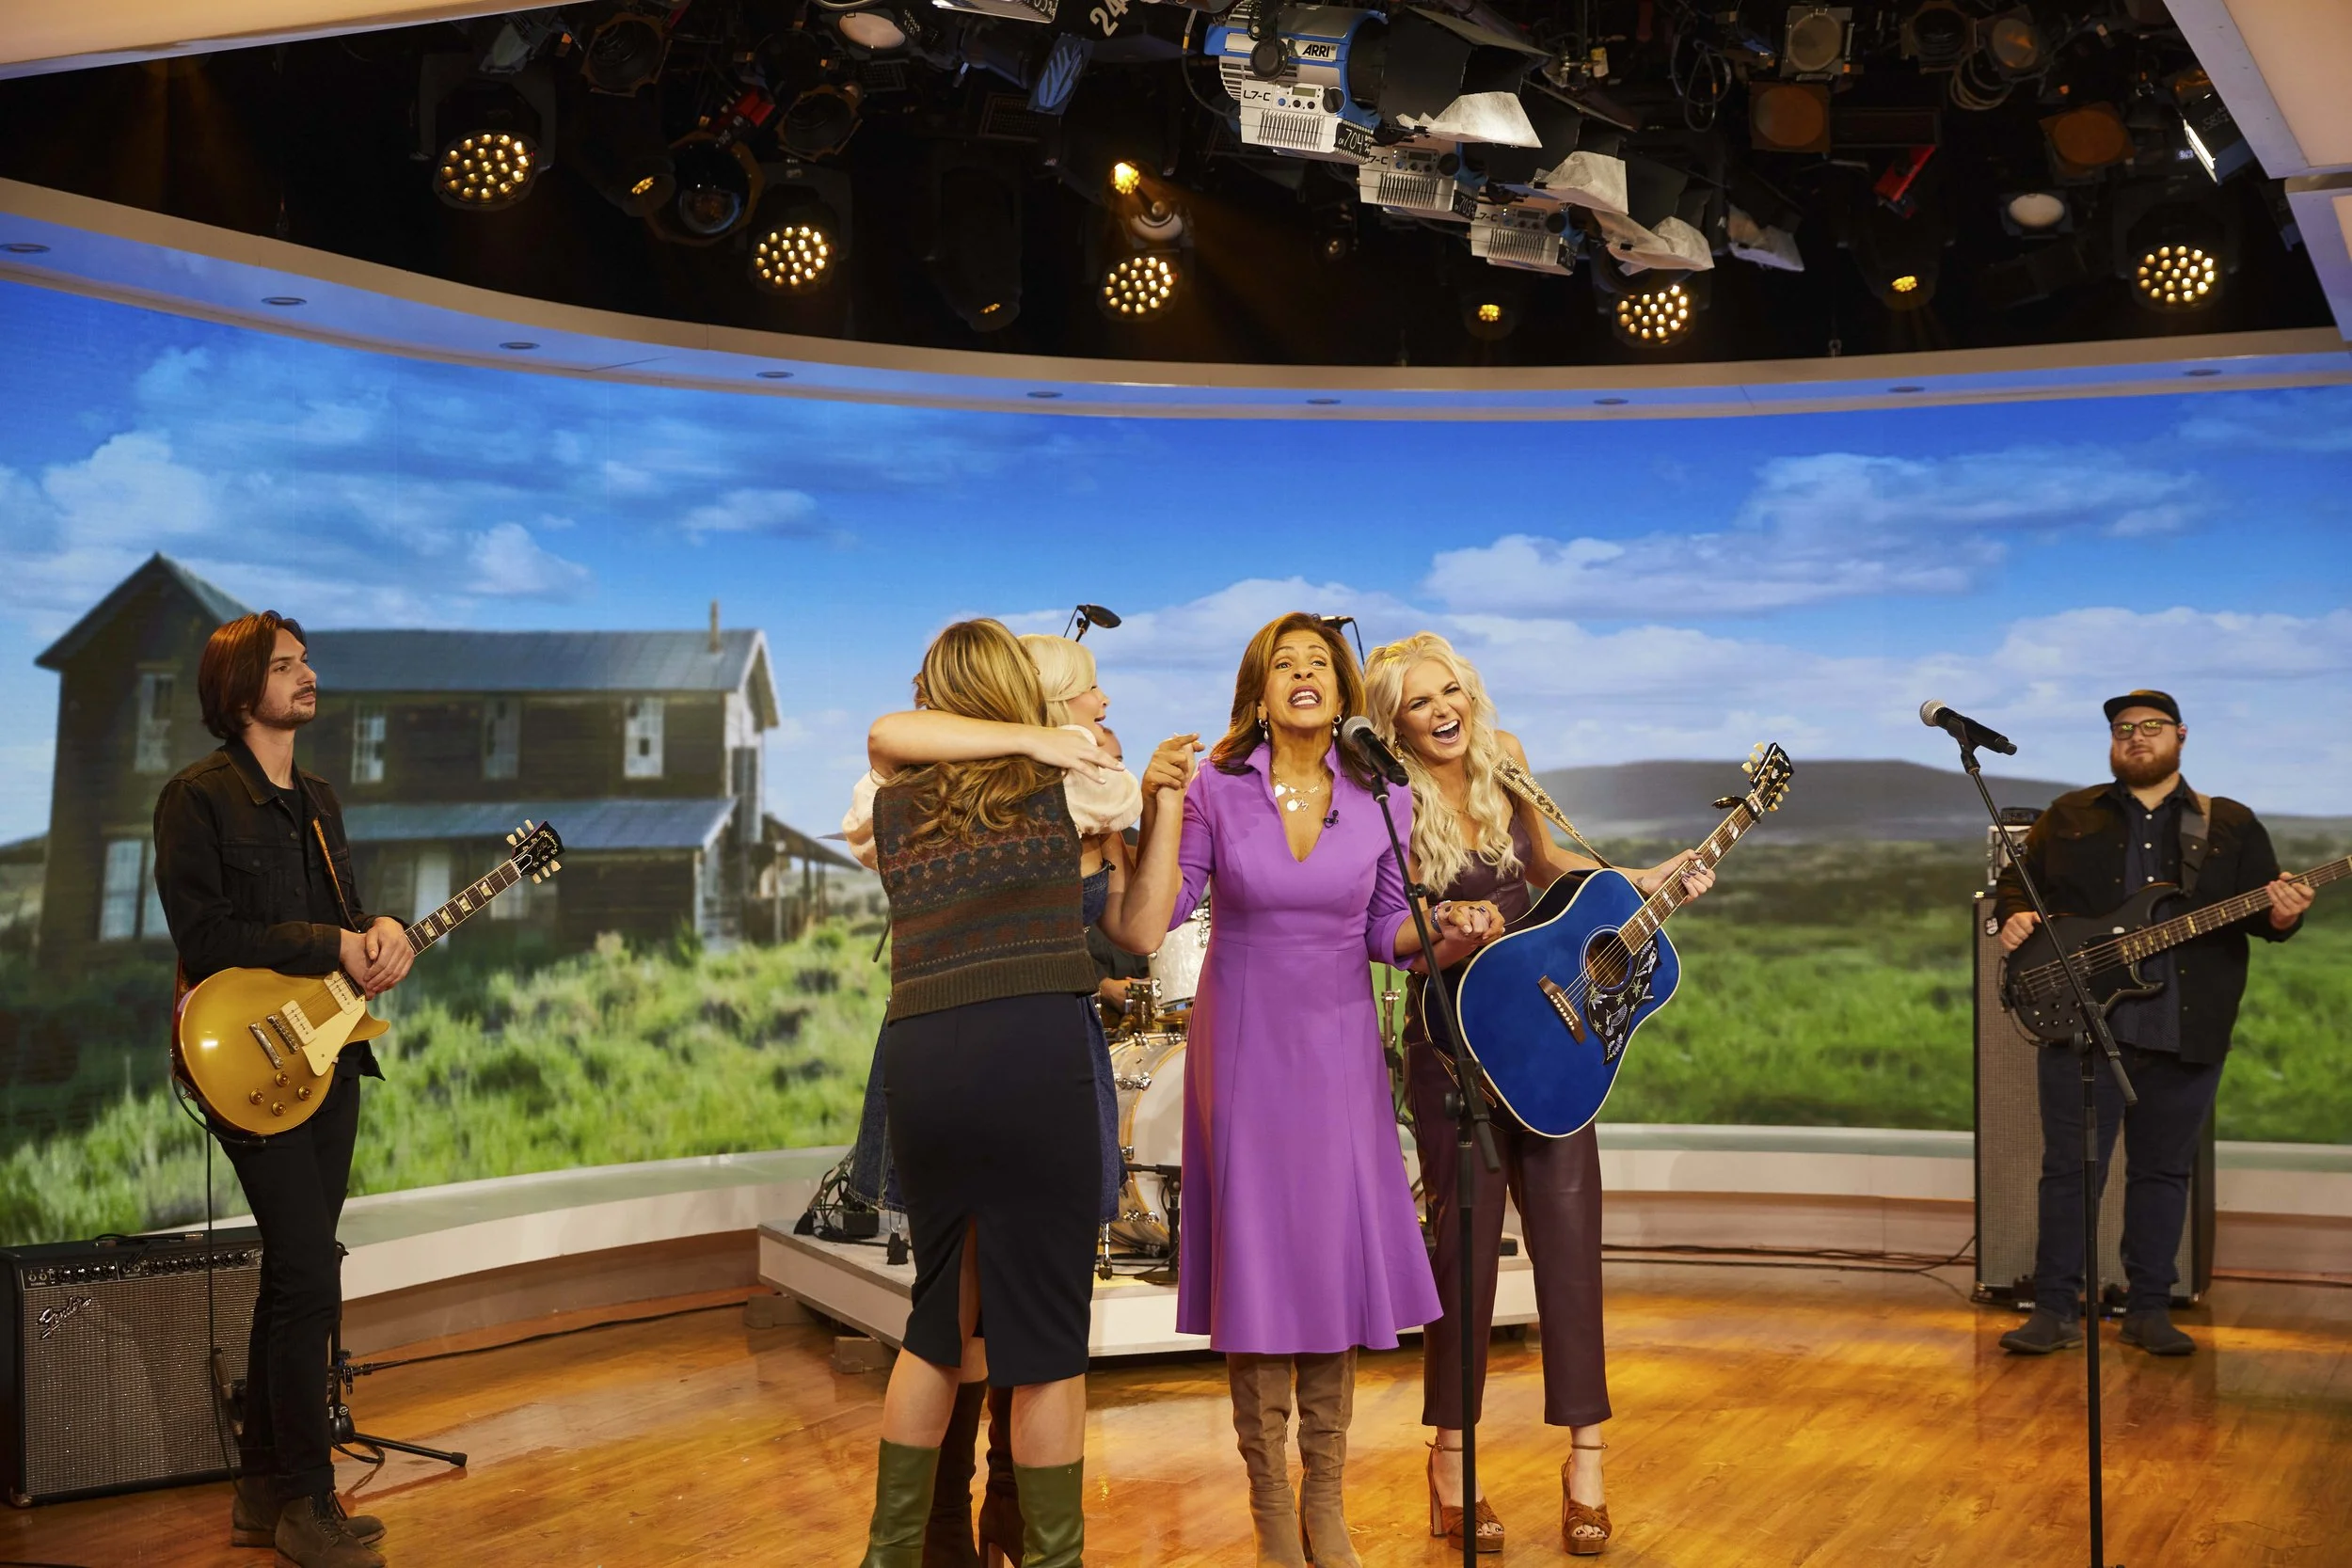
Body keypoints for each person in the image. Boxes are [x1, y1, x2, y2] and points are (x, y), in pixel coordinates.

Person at [1147, 611, 1499, 1568]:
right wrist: (1158, 809)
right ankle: (1271, 1509)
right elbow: (1168, 905)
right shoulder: (1219, 786)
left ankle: (1325, 1505)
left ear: (1342, 691)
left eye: (1318, 663)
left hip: (1339, 1051)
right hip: (1244, 1047)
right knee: (1260, 1268)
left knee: (1328, 1267)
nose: (1303, 674)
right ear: (1258, 692)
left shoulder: (1381, 792)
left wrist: (1446, 928)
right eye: (1283, 664)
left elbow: (1387, 930)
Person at [849, 619, 1192, 1568]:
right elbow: (1138, 920)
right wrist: (1070, 752)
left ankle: (889, 1554)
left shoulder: (887, 795)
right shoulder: (1076, 778)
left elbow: (889, 736)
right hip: (1034, 1050)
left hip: (923, 1053)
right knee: (1043, 1342)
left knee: (935, 1326)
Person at [1364, 632, 1709, 1557]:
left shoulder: (1503, 754)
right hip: (1453, 1036)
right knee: (1463, 1260)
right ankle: (1453, 1465)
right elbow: (1386, 927)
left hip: (1552, 1037)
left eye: (1450, 690)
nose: (1443, 710)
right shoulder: (1384, 794)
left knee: (1569, 1247)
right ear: (1393, 721)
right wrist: (1445, 925)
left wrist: (1639, 881)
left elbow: (1548, 864)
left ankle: (1586, 1465)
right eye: (1419, 701)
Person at [151, 612, 412, 1568]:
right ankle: (309, 1500)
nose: (309, 676)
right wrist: (327, 943)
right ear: (238, 690)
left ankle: (264, 1494)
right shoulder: (196, 798)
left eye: (307, 662)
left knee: (297, 1272)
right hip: (244, 1063)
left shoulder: (320, 799)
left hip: (328, 1058)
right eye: (286, 665)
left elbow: (347, 920)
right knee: (307, 1269)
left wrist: (379, 933)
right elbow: (207, 936)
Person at [1994, 689, 2311, 1357]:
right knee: (2069, 1172)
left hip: (2186, 1025)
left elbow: (2266, 916)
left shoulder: (2229, 822)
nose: (2136, 736)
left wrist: (2284, 913)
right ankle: (2055, 1308)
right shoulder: (2069, 814)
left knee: (2163, 1172)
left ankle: (2147, 1308)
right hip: (2084, 1025)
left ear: (2180, 735)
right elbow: (2018, 883)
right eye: (2123, 728)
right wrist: (2013, 915)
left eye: (2151, 726)